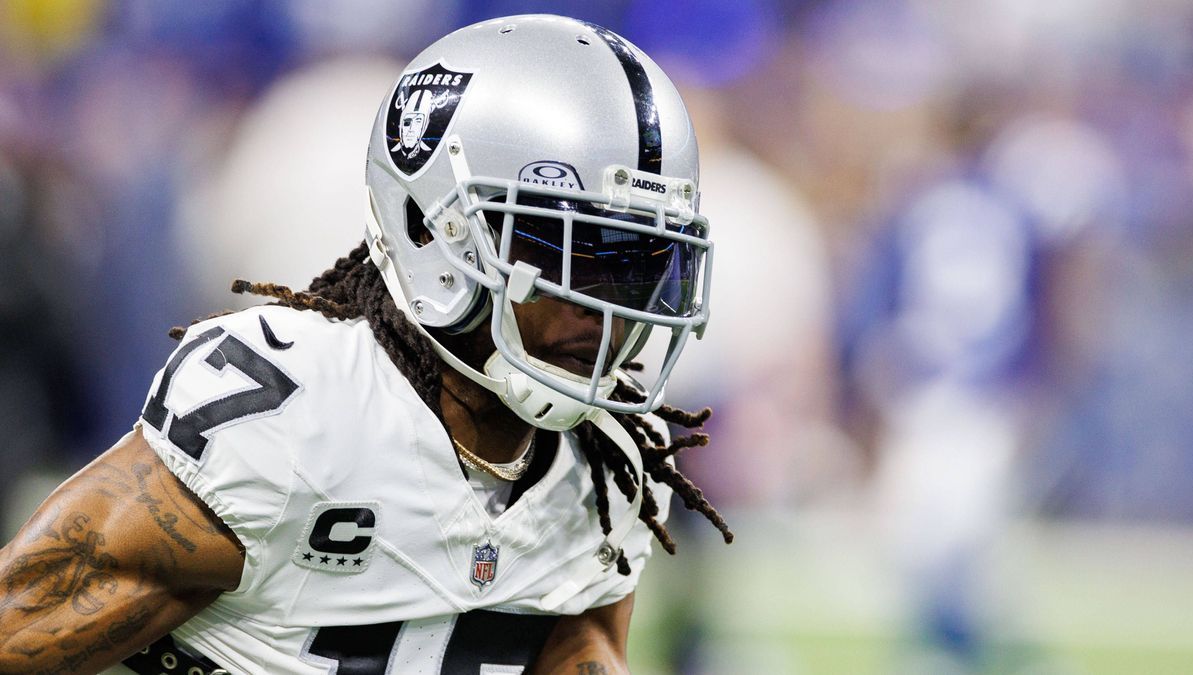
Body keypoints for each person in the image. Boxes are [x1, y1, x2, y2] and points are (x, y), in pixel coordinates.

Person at [0, 14, 732, 675]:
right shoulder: (292, 413)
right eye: (570, 254)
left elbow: (581, 650)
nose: (607, 309)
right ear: (432, 230)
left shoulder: (610, 458)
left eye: (639, 265)